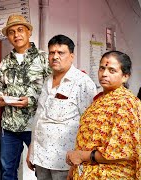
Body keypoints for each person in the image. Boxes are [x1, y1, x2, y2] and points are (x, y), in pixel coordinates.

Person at [66, 51, 141, 179]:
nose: (104, 74)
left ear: (125, 76)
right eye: (102, 68)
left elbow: (122, 151)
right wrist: (74, 167)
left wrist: (81, 156)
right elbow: (88, 140)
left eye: (112, 70)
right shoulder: (99, 100)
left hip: (113, 174)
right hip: (87, 172)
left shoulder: (126, 102)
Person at [26, 35, 97, 180]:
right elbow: (39, 118)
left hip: (65, 161)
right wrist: (32, 150)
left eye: (60, 53)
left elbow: (90, 125)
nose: (55, 57)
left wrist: (80, 159)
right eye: (52, 53)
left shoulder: (82, 82)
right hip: (41, 158)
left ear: (71, 56)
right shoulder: (47, 81)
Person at [0, 14, 51, 180]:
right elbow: (0, 87)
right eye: (11, 32)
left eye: (20, 30)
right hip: (9, 126)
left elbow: (51, 90)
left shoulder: (43, 58)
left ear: (29, 32)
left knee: (42, 169)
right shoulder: (5, 62)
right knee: (8, 170)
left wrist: (31, 100)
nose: (16, 35)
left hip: (34, 125)